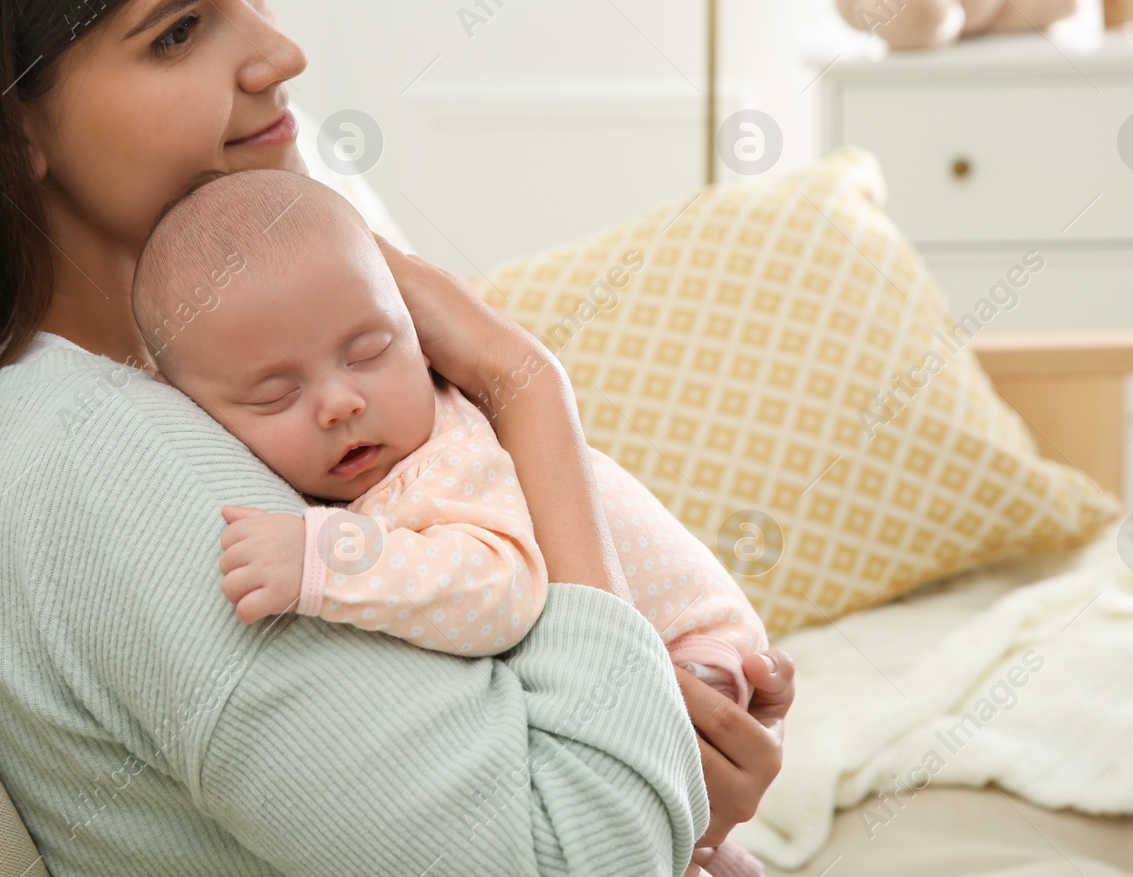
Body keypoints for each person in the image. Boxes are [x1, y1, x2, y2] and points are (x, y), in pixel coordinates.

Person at [0, 0, 792, 875]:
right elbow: (576, 854)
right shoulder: (93, 460)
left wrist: (674, 762)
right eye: (178, 29)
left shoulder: (175, 377)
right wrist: (527, 386)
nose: (280, 51)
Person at [131, 168, 771, 705]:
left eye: (370, 351)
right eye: (276, 395)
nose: (340, 403)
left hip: (693, 647)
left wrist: (328, 556)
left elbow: (501, 592)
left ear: (419, 335)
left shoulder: (444, 459)